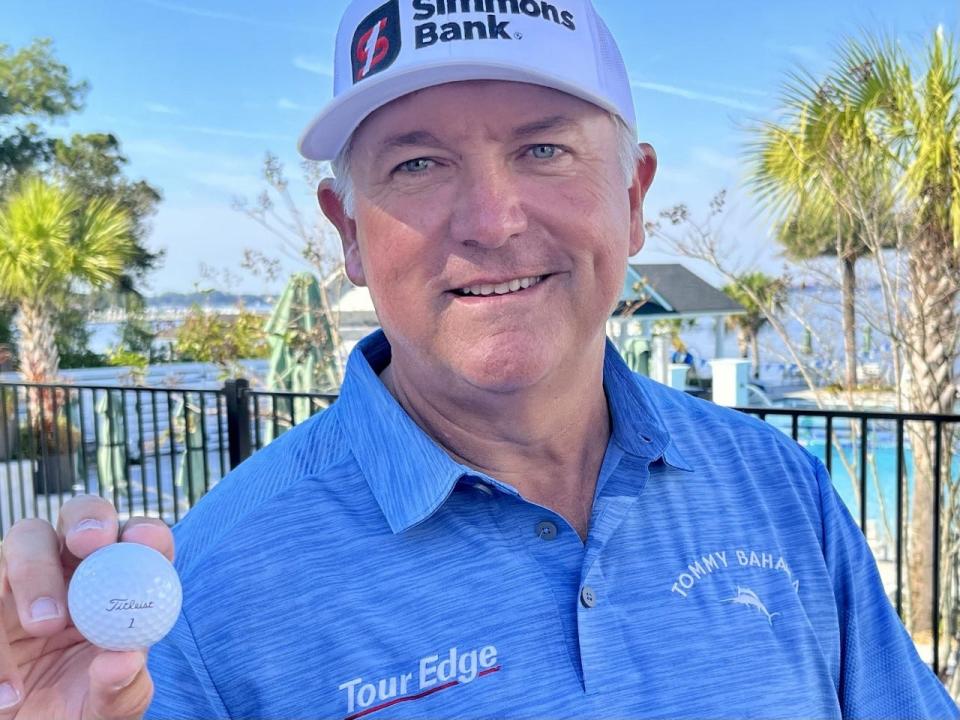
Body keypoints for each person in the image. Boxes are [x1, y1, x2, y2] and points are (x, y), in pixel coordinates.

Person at [1, 1, 957, 718]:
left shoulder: (781, 490)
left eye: (543, 150)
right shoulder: (208, 598)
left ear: (633, 196)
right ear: (348, 233)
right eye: (417, 164)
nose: (493, 222)